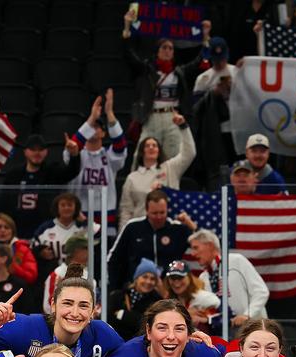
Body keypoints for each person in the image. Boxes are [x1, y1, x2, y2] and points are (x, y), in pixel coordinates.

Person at [0, 271, 122, 357]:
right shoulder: (26, 327)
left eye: (83, 305)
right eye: (67, 303)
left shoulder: (102, 334)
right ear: (53, 305)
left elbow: (129, 354)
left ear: (93, 311)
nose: (75, 312)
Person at [122, 16, 209, 159]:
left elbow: (199, 62)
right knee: (140, 159)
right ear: (158, 51)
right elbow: (129, 55)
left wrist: (205, 36)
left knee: (173, 161)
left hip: (172, 119)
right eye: (164, 47)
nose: (168, 51)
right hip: (151, 118)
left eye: (171, 48)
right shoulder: (147, 70)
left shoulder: (179, 73)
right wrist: (127, 27)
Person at [65, 90, 126, 245]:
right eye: (91, 127)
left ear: (104, 133)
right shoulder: (76, 155)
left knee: (103, 263)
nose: (94, 129)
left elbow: (120, 146)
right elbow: (72, 147)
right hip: (79, 217)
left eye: (98, 127)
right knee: (77, 264)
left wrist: (109, 113)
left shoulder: (109, 157)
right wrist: (92, 119)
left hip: (106, 218)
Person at [118, 114, 195, 230]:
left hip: (169, 228)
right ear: (141, 151)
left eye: (154, 145)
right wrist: (123, 236)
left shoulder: (170, 168)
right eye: (147, 146)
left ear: (159, 151)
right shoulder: (132, 178)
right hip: (141, 230)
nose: (151, 147)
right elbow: (126, 211)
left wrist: (183, 127)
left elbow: (189, 153)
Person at [109, 189, 195, 290]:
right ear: (146, 210)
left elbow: (200, 246)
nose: (159, 217)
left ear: (168, 209)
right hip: (138, 289)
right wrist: (116, 289)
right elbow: (114, 259)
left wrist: (192, 227)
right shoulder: (132, 227)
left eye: (162, 212)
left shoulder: (178, 229)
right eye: (154, 213)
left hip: (169, 289)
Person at [0, 134, 82, 239]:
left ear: (46, 152)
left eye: (40, 149)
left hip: (47, 232)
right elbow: (4, 203)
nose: (37, 153)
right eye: (33, 149)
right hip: (18, 232)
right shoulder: (13, 175)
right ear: (25, 152)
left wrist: (74, 154)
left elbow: (71, 172)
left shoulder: (52, 171)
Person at [189, 228, 269, 331]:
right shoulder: (203, 278)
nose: (192, 253)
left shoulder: (236, 261)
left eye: (196, 248)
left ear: (210, 245)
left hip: (256, 329)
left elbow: (261, 292)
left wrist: (247, 315)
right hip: (227, 334)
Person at [109, 259, 163, 340]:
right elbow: (108, 319)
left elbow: (149, 325)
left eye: (152, 279)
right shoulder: (118, 295)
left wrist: (123, 314)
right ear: (136, 278)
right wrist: (138, 318)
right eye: (145, 277)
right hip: (115, 342)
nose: (148, 281)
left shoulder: (157, 301)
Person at [162, 259, 219, 330]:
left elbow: (226, 319)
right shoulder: (168, 302)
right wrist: (185, 314)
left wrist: (207, 320)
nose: (176, 282)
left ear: (189, 278)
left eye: (180, 277)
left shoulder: (205, 298)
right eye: (173, 278)